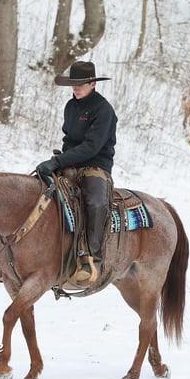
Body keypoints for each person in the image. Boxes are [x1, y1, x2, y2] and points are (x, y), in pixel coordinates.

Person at [36, 61, 117, 286]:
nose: (76, 88)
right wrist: (60, 161)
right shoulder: (70, 107)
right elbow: (69, 139)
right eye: (73, 84)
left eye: (80, 84)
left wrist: (58, 161)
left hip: (95, 165)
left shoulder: (104, 110)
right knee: (40, 188)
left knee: (96, 201)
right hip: (70, 162)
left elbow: (92, 147)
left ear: (92, 83)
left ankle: (93, 259)